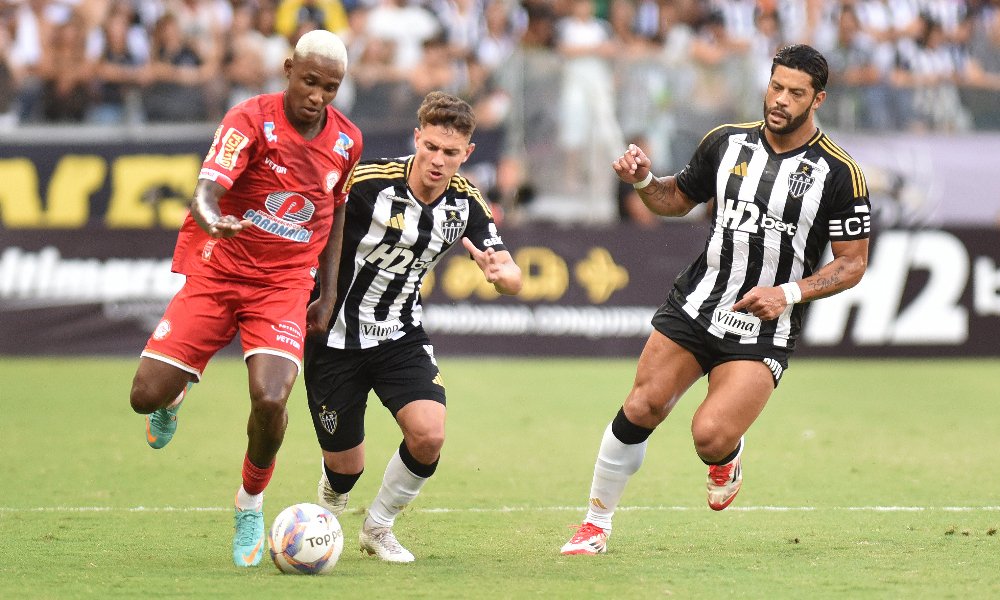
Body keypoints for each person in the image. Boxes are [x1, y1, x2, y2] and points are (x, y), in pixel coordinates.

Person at [561, 44, 871, 555]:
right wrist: (641, 179)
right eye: (776, 86)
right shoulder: (725, 143)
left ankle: (727, 454)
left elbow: (852, 263)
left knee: (709, 435)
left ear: (818, 99)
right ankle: (595, 523)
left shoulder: (839, 173)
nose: (780, 100)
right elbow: (672, 200)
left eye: (796, 93)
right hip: (699, 303)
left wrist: (788, 293)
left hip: (764, 325)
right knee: (643, 404)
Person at [128, 29, 362, 568]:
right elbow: (207, 190)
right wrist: (215, 220)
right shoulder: (248, 120)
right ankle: (173, 395)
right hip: (219, 271)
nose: (318, 97)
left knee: (271, 398)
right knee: (144, 395)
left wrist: (326, 294)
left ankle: (250, 502)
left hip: (282, 286)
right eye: (309, 82)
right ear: (287, 69)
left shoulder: (347, 141)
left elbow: (337, 212)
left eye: (330, 88)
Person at [303, 91, 522, 563]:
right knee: (346, 466)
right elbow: (314, 220)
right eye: (432, 148)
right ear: (416, 139)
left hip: (400, 334)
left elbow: (509, 270)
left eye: (451, 153)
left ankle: (378, 527)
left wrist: (504, 276)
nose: (439, 162)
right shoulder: (366, 183)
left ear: (467, 154)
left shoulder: (466, 203)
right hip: (333, 337)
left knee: (429, 434)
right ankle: (330, 499)